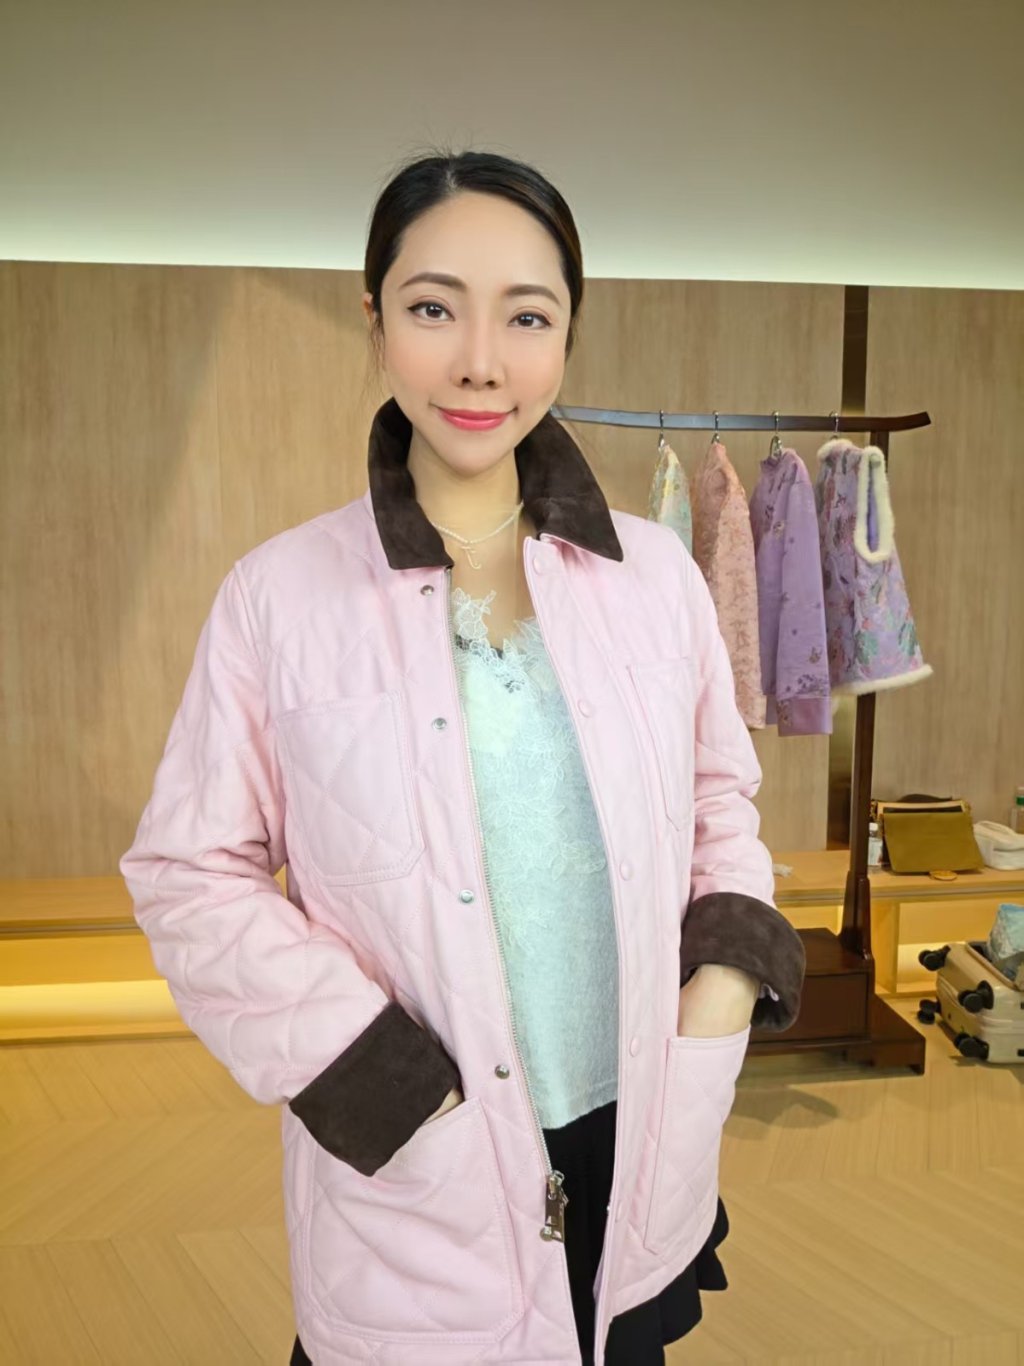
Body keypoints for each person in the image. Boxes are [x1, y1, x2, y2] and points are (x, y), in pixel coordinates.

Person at [120, 147, 806, 1366]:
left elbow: (719, 798)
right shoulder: (279, 598)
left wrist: (720, 989)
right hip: (425, 1160)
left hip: (639, 1128)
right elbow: (190, 871)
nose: (480, 361)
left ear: (568, 332)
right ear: (374, 317)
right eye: (434, 308)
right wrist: (384, 1079)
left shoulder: (654, 577)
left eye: (526, 316)